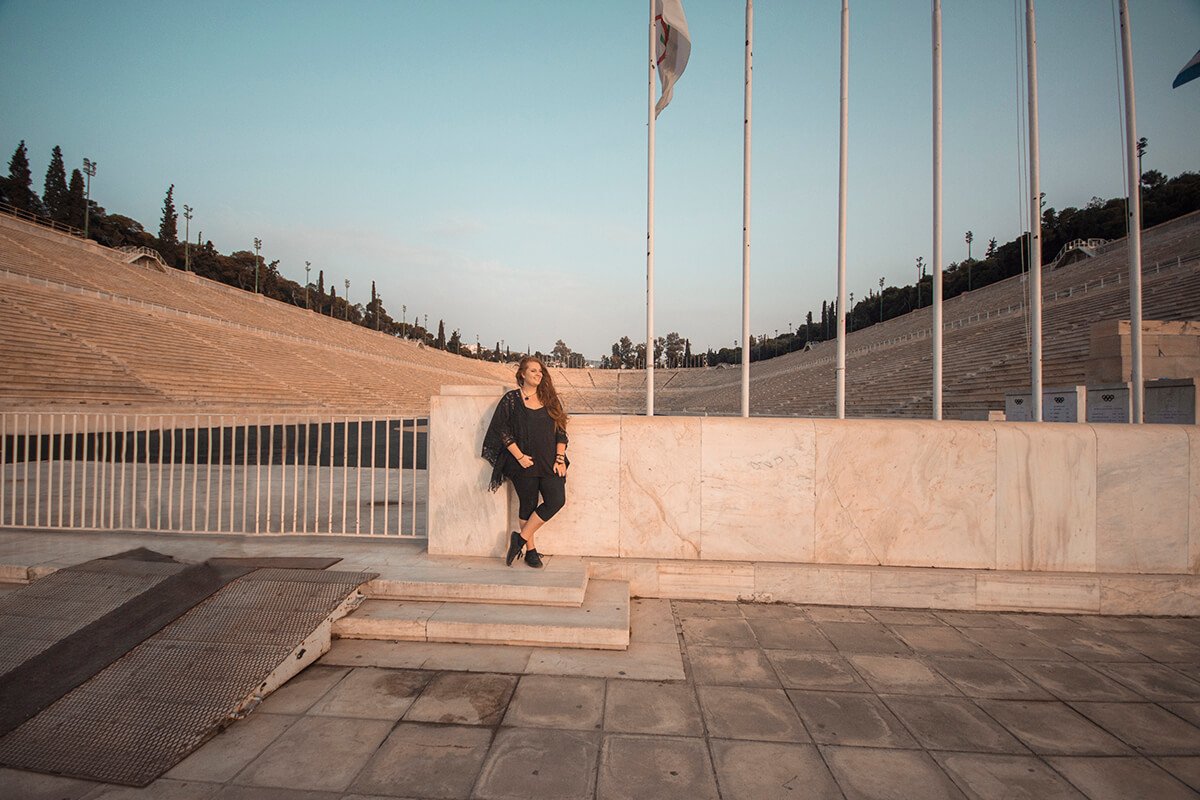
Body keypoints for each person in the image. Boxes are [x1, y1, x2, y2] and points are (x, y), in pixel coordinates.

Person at [480, 356, 569, 568]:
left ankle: (519, 538)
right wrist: (519, 456)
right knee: (527, 505)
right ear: (522, 374)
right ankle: (531, 550)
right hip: (523, 463)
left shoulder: (550, 399)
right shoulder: (511, 399)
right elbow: (501, 430)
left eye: (541, 372)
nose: (539, 374)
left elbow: (561, 431)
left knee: (556, 500)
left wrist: (560, 458)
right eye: (533, 371)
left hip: (550, 462)